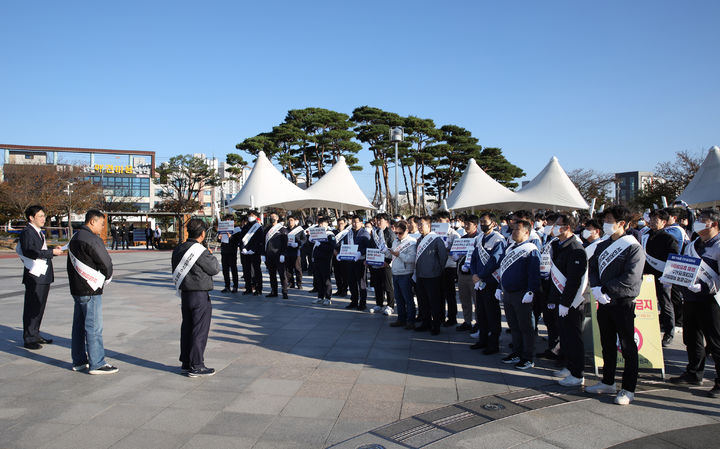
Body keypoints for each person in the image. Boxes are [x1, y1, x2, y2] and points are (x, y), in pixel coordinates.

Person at [587, 205, 645, 405]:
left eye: (610, 220)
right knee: (607, 343)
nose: (606, 224)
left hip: (622, 302)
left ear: (622, 223)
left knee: (628, 346)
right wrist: (595, 288)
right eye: (605, 220)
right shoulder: (602, 245)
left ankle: (628, 389)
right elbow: (593, 267)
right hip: (603, 301)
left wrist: (605, 289)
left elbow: (630, 277)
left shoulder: (633, 247)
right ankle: (608, 381)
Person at [667, 209, 720, 398]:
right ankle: (694, 372)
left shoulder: (718, 246)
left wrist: (705, 287)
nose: (697, 223)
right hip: (690, 298)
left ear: (713, 224)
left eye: (702, 220)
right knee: (691, 338)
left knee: (715, 342)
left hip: (712, 301)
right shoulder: (695, 243)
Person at [67, 209, 117, 374]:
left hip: (77, 288)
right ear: (92, 221)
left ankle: (79, 360)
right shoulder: (91, 239)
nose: (103, 228)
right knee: (94, 326)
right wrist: (107, 277)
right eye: (102, 224)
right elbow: (106, 262)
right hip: (90, 288)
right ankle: (97, 362)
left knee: (79, 327)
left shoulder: (75, 237)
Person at [172, 218, 221, 377]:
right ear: (202, 233)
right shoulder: (200, 250)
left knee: (187, 328)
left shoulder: (179, 248)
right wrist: (211, 255)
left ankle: (186, 362)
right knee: (199, 329)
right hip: (199, 294)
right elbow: (214, 268)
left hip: (185, 293)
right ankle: (197, 365)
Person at [548, 214, 588, 386]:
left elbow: (574, 280)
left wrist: (565, 303)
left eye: (558, 225)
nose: (555, 227)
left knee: (573, 337)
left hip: (572, 302)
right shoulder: (558, 245)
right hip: (559, 299)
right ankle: (569, 366)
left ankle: (578, 374)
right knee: (564, 336)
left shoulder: (575, 248)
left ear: (568, 228)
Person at [497, 219, 541, 370]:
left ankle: (528, 357)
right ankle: (516, 352)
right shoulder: (510, 248)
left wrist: (531, 291)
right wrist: (499, 287)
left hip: (522, 294)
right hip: (508, 293)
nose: (513, 232)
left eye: (517, 230)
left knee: (526, 327)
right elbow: (502, 270)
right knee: (513, 326)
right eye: (513, 229)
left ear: (527, 232)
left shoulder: (531, 248)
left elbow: (534, 273)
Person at [17, 205, 63, 350]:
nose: (44, 219)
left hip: (42, 274)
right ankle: (29, 337)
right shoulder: (27, 232)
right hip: (34, 275)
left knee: (39, 307)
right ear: (31, 218)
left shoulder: (38, 232)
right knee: (32, 306)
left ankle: (35, 333)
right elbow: (29, 251)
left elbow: (39, 250)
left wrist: (52, 251)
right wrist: (51, 253)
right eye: (40, 216)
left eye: (44, 216)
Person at [470, 213, 506, 354]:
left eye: (485, 222)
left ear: (493, 223)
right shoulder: (479, 238)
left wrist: (480, 275)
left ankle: (493, 343)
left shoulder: (498, 240)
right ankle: (482, 339)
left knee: (492, 314)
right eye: (481, 222)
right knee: (481, 312)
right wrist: (474, 274)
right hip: (479, 282)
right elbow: (473, 258)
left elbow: (494, 262)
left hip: (490, 281)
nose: (482, 224)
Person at [642, 209, 679, 346]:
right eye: (650, 219)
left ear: (664, 222)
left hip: (662, 277)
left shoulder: (669, 239)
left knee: (665, 304)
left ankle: (669, 333)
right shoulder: (645, 235)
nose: (651, 222)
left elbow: (674, 259)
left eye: (655, 220)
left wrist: (668, 276)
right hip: (646, 276)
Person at [414, 215, 448, 335]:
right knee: (423, 301)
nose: (419, 227)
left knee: (434, 302)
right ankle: (425, 322)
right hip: (421, 276)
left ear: (429, 226)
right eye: (418, 224)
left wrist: (437, 270)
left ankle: (436, 325)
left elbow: (443, 257)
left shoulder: (436, 239)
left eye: (421, 224)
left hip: (433, 276)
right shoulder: (418, 240)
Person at [389, 220, 417, 329]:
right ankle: (401, 319)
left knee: (408, 299)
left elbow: (412, 259)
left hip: (406, 274)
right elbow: (392, 256)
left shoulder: (412, 242)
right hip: (395, 273)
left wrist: (399, 254)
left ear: (406, 231)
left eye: (400, 233)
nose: (398, 235)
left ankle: (411, 320)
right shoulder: (395, 241)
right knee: (398, 298)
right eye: (396, 233)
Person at [338, 216, 370, 310]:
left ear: (361, 223)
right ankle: (354, 301)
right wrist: (341, 253)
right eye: (353, 222)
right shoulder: (349, 232)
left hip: (360, 261)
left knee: (361, 283)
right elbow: (344, 244)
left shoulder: (365, 233)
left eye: (356, 222)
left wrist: (361, 252)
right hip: (349, 260)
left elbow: (368, 246)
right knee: (351, 282)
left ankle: (362, 303)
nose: (354, 224)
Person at [455, 215, 479, 331]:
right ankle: (467, 321)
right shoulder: (462, 238)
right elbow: (457, 254)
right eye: (465, 224)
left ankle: (479, 322)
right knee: (464, 299)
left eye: (468, 224)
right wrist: (455, 255)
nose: (465, 226)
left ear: (475, 225)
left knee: (476, 300)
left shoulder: (479, 238)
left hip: (474, 275)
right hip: (462, 274)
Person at [368, 213, 395, 315]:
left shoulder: (390, 233)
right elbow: (370, 246)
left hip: (386, 263)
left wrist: (387, 262)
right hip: (375, 262)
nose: (378, 222)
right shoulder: (375, 232)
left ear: (387, 222)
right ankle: (379, 304)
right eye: (377, 220)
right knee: (377, 285)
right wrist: (368, 259)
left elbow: (393, 248)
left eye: (381, 220)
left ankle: (390, 305)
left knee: (388, 285)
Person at [437, 211, 460, 327]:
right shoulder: (434, 233)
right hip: (438, 267)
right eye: (438, 221)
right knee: (439, 294)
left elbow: (458, 252)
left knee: (450, 295)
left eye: (441, 221)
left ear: (447, 221)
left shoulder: (454, 234)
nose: (439, 223)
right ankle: (440, 317)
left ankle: (452, 317)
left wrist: (448, 249)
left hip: (449, 267)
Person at [310, 216, 336, 305]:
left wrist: (320, 244)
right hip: (317, 259)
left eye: (323, 224)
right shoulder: (317, 233)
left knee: (326, 280)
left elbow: (331, 247)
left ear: (327, 224)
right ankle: (320, 297)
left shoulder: (330, 234)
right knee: (319, 279)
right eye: (320, 224)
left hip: (325, 259)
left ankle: (328, 298)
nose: (321, 225)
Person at [238, 210, 264, 296]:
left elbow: (260, 241)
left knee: (256, 271)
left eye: (252, 215)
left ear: (256, 216)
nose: (250, 216)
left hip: (254, 252)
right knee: (246, 271)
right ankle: (248, 288)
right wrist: (242, 249)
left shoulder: (258, 227)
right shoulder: (245, 227)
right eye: (249, 215)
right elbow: (241, 239)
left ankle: (258, 289)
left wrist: (254, 249)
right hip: (245, 253)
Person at [263, 212, 289, 299]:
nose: (272, 218)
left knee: (282, 274)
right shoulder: (267, 229)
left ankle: (285, 292)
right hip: (269, 255)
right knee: (272, 274)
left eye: (273, 217)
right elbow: (263, 242)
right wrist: (263, 254)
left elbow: (285, 243)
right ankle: (274, 291)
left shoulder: (282, 229)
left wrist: (283, 254)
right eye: (271, 217)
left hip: (279, 255)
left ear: (277, 218)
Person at [218, 215, 240, 293]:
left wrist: (231, 237)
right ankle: (227, 286)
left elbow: (237, 241)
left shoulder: (236, 229)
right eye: (226, 220)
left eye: (229, 220)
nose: (227, 221)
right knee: (225, 270)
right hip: (224, 251)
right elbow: (219, 240)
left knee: (233, 269)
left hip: (232, 252)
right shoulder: (222, 229)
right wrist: (219, 237)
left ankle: (235, 286)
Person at [285, 214, 307, 290]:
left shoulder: (299, 230)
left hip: (296, 251)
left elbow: (304, 240)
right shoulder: (285, 230)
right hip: (287, 251)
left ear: (295, 221)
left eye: (291, 220)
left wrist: (298, 244)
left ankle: (299, 284)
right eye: (289, 220)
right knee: (288, 268)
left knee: (297, 268)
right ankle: (291, 283)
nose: (290, 222)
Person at [332, 216, 349, 297]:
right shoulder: (334, 232)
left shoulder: (348, 232)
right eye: (338, 224)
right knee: (337, 274)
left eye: (341, 223)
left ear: (345, 224)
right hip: (336, 256)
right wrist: (334, 251)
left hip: (345, 256)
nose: (340, 225)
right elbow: (331, 243)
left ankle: (344, 290)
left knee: (345, 274)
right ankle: (339, 289)